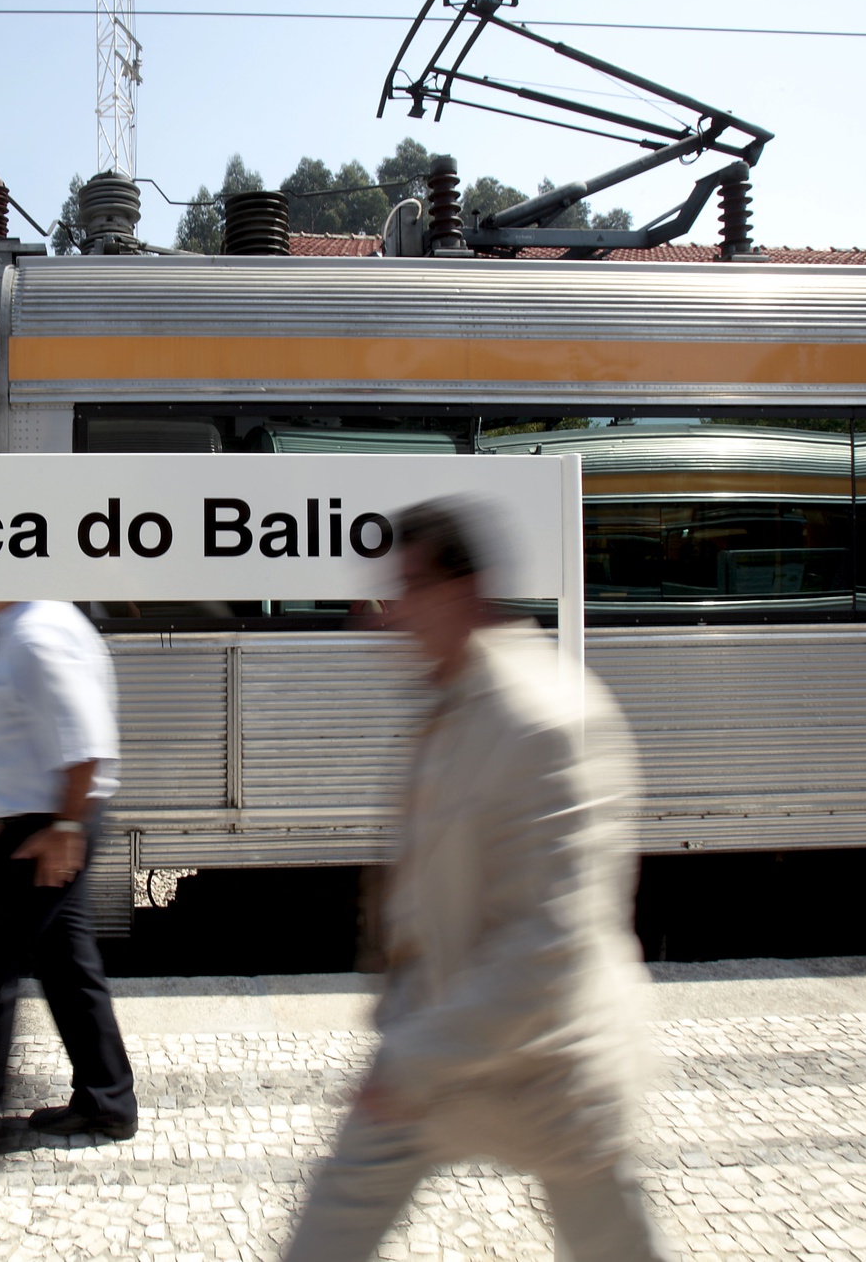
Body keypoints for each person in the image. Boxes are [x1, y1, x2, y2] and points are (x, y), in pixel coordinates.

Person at [281, 499, 674, 1262]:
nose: (384, 618)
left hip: (546, 1065)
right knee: (326, 1236)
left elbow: (548, 948)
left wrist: (415, 1054)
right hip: (434, 1043)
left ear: (468, 588)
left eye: (407, 589)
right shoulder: (452, 698)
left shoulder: (547, 719)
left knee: (612, 1244)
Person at [0, 600, 137, 1143]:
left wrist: (67, 828)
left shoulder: (38, 634)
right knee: (67, 965)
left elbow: (86, 747)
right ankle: (107, 1100)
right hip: (42, 821)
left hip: (49, 829)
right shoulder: (26, 623)